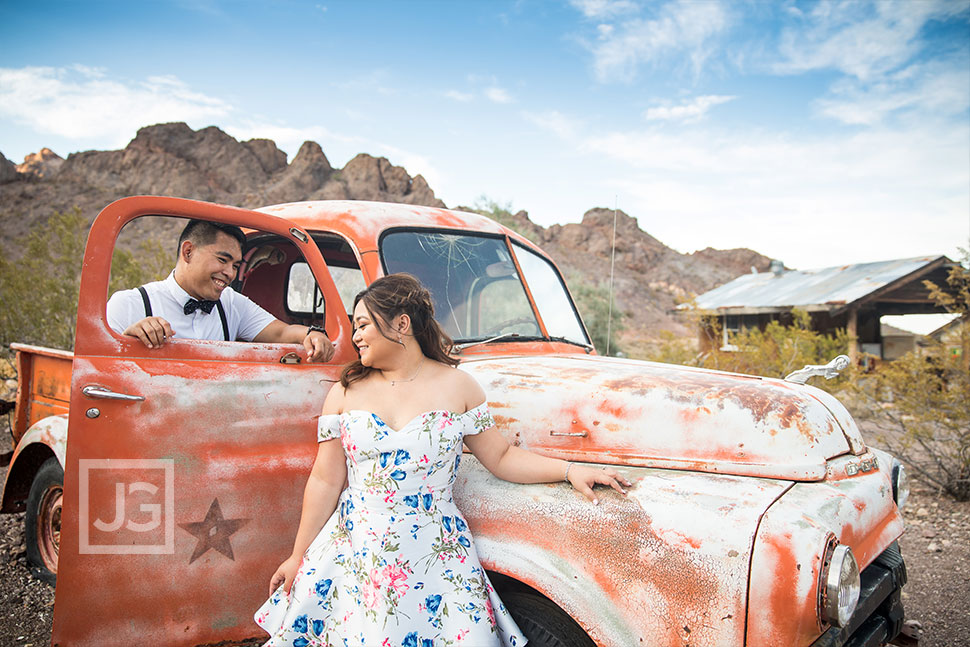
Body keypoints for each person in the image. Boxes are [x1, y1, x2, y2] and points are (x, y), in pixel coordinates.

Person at [254, 273, 630, 646]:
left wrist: (570, 470)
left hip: (435, 554)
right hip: (355, 552)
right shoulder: (344, 392)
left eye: (364, 324)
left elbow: (500, 457)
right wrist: (297, 556)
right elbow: (325, 481)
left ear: (401, 324)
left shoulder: (458, 386)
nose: (355, 337)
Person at [106, 219, 334, 362]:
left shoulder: (232, 303)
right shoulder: (129, 304)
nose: (230, 273)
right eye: (222, 260)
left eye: (235, 265)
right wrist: (129, 339)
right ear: (188, 252)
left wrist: (312, 334)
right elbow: (102, 370)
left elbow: (280, 333)